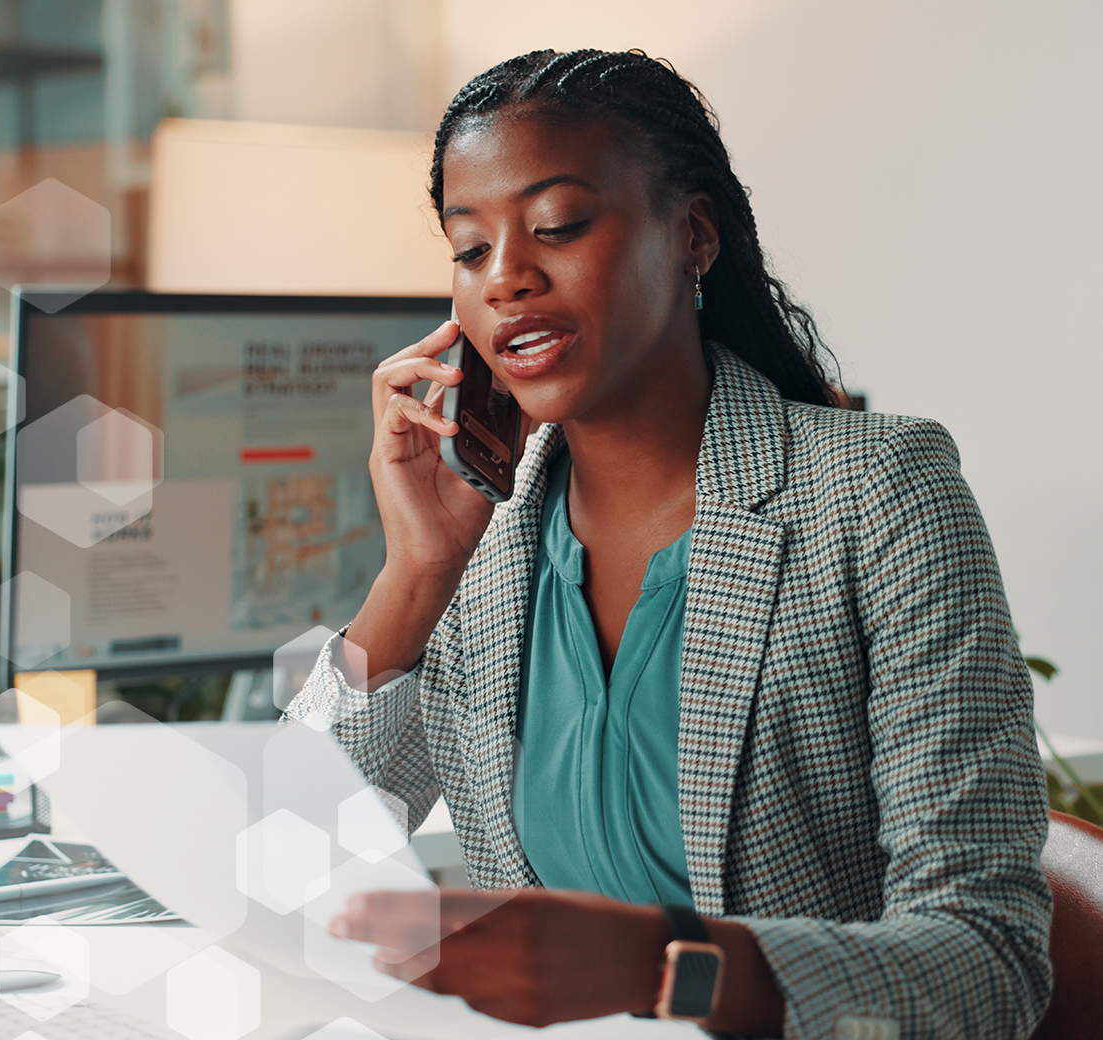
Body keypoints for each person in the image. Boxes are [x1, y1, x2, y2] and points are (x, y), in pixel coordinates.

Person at [283, 49, 1051, 1039]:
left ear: (692, 236)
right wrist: (417, 572)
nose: (506, 275)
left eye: (558, 226)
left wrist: (664, 970)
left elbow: (989, 959)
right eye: (470, 248)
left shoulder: (874, 492)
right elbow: (288, 861)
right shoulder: (486, 538)